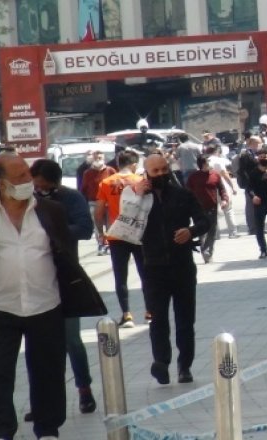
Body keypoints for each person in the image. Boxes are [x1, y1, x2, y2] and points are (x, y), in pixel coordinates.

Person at [0, 154, 104, 440]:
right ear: (1, 183)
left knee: (48, 371)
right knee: (0, 375)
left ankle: (47, 429)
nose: (28, 180)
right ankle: (1, 431)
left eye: (27, 174)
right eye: (19, 177)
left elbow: (64, 254)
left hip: (45, 305)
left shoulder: (51, 210)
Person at [28, 159, 98, 421]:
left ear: (55, 184)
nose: (40, 192)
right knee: (38, 346)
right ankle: (42, 401)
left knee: (71, 340)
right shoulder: (27, 199)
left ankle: (84, 388)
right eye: (36, 187)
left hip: (65, 278)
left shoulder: (71, 198)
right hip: (34, 279)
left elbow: (85, 229)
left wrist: (52, 232)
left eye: (44, 188)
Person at [136, 155, 209, 385]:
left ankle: (184, 366)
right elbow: (124, 223)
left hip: (182, 267)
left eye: (163, 169)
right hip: (153, 269)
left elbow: (205, 221)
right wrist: (136, 196)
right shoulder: (139, 199)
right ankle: (161, 362)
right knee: (157, 319)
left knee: (185, 320)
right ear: (146, 173)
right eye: (155, 171)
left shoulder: (182, 194)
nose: (160, 174)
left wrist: (191, 231)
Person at [95, 150, 148, 328]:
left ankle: (126, 314)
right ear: (133, 165)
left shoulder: (106, 183)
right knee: (145, 273)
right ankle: (150, 311)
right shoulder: (140, 181)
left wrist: (101, 232)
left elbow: (99, 210)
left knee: (120, 276)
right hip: (139, 234)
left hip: (116, 234)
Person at [186, 155, 228, 264]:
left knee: (212, 230)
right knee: (201, 230)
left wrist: (224, 200)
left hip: (212, 207)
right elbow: (187, 191)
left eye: (209, 162)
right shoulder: (193, 177)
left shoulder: (215, 175)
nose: (209, 164)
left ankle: (208, 251)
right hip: (198, 208)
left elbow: (222, 189)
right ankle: (204, 251)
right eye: (207, 162)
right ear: (202, 164)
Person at [80, 151, 115, 256]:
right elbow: (84, 188)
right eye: (96, 158)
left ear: (104, 158)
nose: (98, 160)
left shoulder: (110, 170)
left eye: (100, 157)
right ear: (93, 159)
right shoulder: (88, 173)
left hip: (108, 203)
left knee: (110, 225)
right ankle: (101, 243)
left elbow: (116, 185)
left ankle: (109, 245)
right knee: (97, 225)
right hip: (94, 203)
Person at [205, 146, 239, 239]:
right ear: (216, 151)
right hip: (222, 186)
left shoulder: (205, 161)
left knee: (213, 211)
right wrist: (232, 186)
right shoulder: (218, 160)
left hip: (209, 187)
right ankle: (233, 232)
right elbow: (225, 174)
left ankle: (216, 234)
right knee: (228, 209)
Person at [235, 135, 262, 235]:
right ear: (252, 144)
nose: (260, 145)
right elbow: (243, 170)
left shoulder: (257, 153)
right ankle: (252, 228)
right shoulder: (245, 154)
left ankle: (259, 227)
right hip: (250, 183)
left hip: (258, 182)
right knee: (250, 206)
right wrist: (248, 183)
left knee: (258, 205)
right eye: (258, 143)